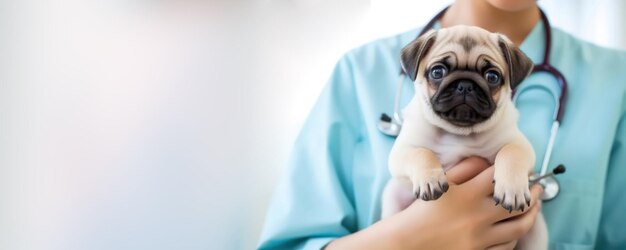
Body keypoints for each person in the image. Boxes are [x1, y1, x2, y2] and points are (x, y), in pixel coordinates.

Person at [258, 0, 626, 249]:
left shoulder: (615, 80)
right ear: (415, 69)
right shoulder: (359, 72)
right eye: (440, 72)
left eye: (490, 77)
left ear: (513, 78)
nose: (465, 88)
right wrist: (404, 240)